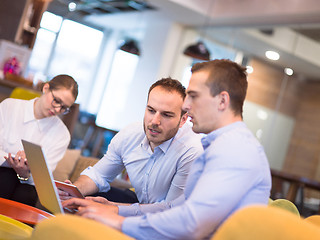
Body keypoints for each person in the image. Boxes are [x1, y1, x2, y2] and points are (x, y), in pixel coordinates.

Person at [63, 59, 272, 240]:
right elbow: (181, 211)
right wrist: (113, 211)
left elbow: (191, 223)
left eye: (193, 96)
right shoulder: (222, 146)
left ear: (222, 101)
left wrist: (118, 220)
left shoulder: (235, 151)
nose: (187, 106)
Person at [60, 77, 203, 204]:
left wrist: (113, 209)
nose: (154, 121)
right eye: (151, 110)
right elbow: (99, 175)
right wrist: (73, 191)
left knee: (97, 206)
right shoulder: (130, 134)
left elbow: (170, 211)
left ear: (183, 119)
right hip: (140, 202)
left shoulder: (191, 151)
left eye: (166, 115)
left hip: (173, 222)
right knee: (84, 198)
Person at [0, 74, 78, 206]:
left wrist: (24, 174)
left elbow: (42, 179)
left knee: (26, 192)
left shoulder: (62, 134)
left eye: (64, 107)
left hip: (27, 187)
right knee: (6, 178)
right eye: (57, 101)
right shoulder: (10, 107)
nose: (58, 109)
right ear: (46, 88)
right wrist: (13, 162)